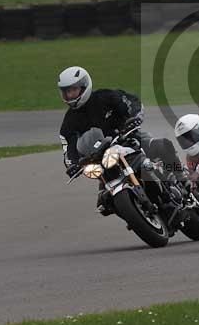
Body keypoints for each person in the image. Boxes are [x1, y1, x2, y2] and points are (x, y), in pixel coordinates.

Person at [57, 66, 188, 215]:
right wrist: (73, 164)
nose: (70, 95)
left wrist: (133, 118)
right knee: (104, 203)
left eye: (73, 90)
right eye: (67, 91)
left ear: (84, 86)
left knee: (162, 145)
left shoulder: (105, 96)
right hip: (102, 158)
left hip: (128, 137)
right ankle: (134, 212)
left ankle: (182, 177)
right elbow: (68, 150)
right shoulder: (68, 123)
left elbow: (132, 103)